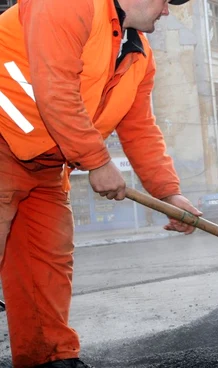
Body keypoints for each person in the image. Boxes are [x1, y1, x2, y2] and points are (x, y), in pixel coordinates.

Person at [0, 0, 200, 367]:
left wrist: (169, 194)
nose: (168, 11)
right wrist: (97, 162)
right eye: (165, 0)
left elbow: (139, 129)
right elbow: (55, 89)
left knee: (45, 264)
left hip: (44, 164)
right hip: (1, 140)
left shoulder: (138, 55)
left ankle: (48, 360)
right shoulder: (67, 4)